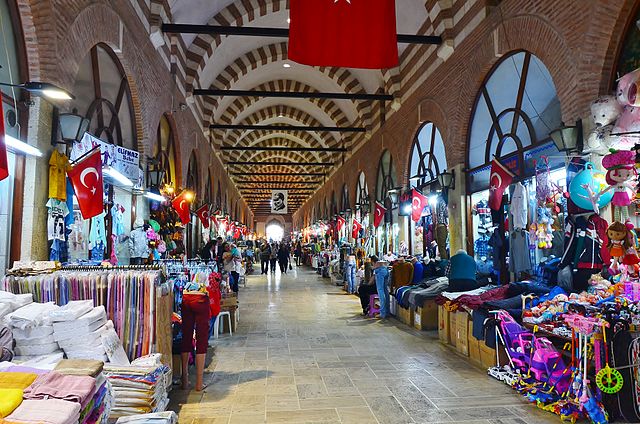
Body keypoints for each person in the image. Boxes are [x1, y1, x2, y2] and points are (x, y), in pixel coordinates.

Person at [181, 274, 210, 391]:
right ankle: (199, 383)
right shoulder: (207, 276)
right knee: (201, 340)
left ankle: (185, 381)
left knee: (186, 336)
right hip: (201, 299)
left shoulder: (191, 279)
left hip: (186, 297)